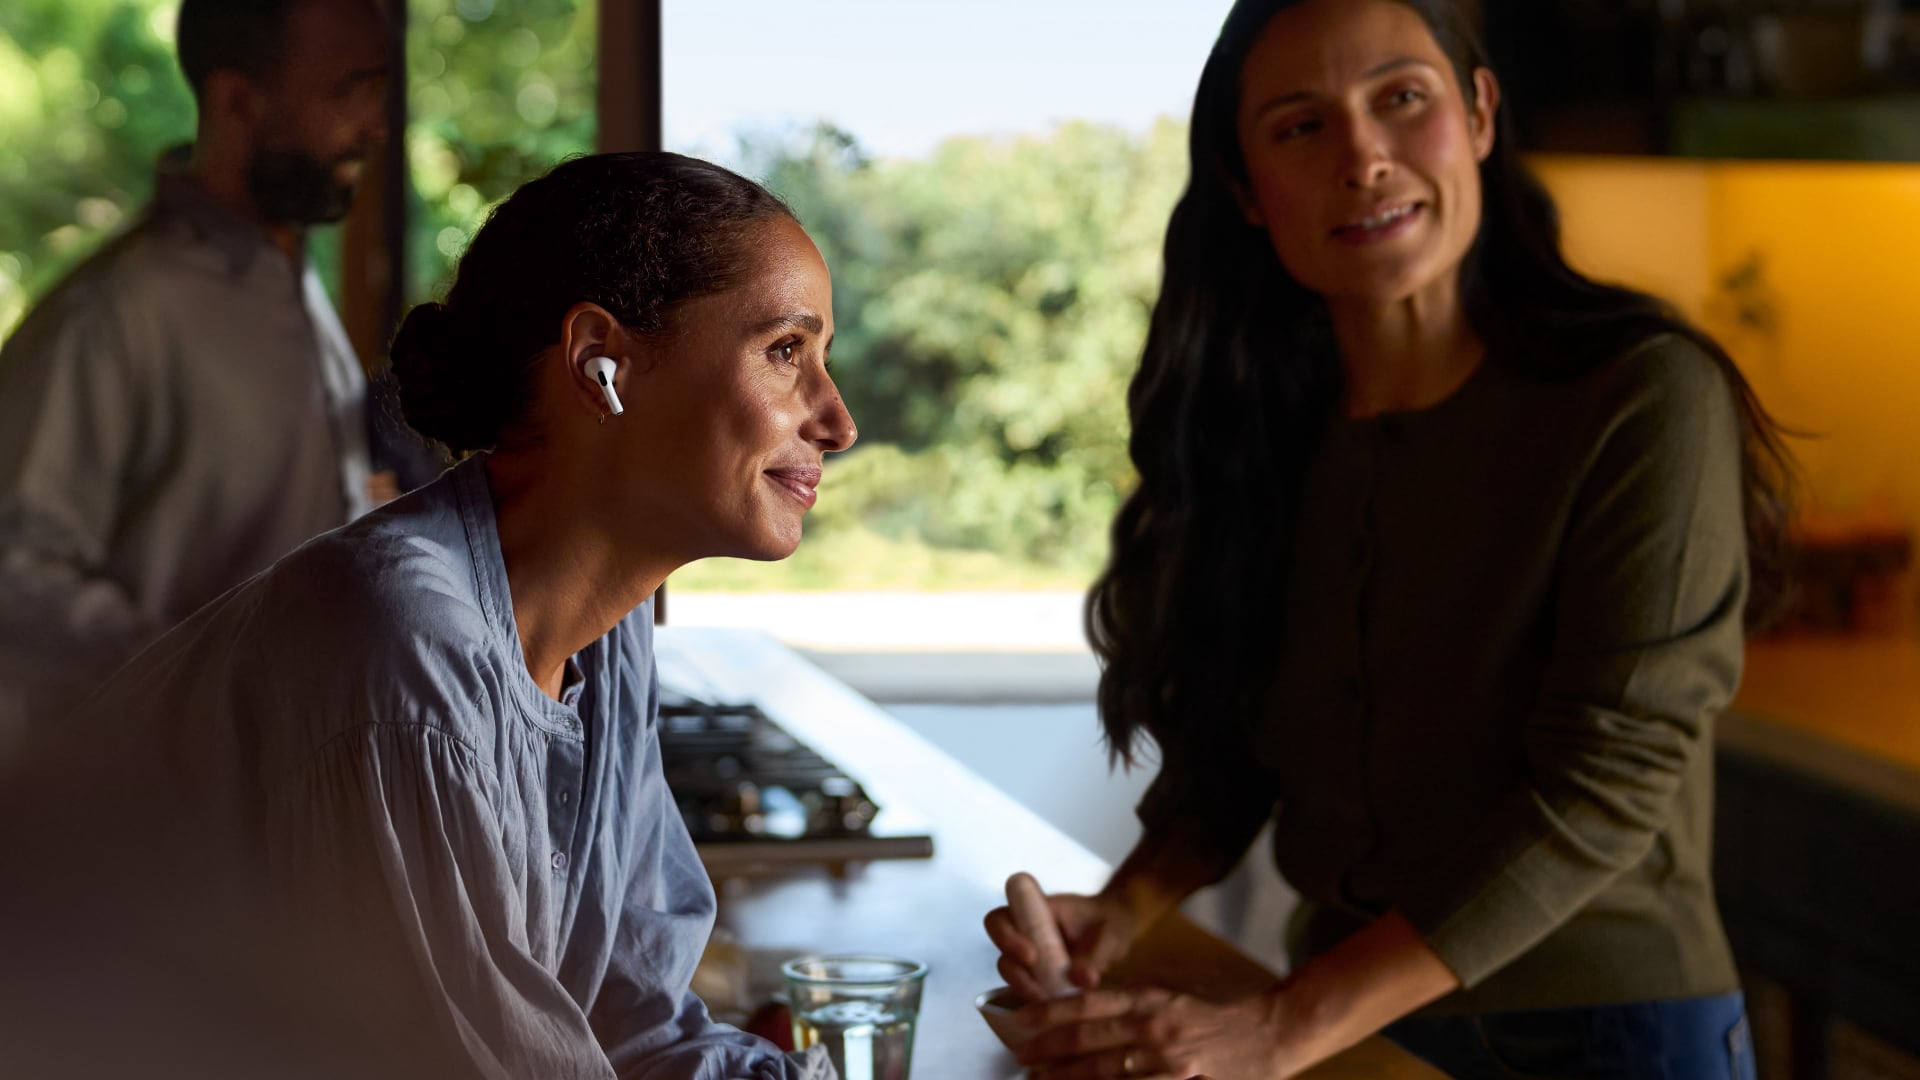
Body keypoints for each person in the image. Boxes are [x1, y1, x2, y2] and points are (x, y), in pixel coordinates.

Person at [985, 1, 1793, 1077]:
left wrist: (1282, 1027)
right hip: (1355, 1031)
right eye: (1298, 127)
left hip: (1615, 1034)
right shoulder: (1264, 429)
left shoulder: (1641, 395)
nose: (1363, 158)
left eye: (1401, 100)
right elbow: (1241, 746)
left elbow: (1606, 787)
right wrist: (1121, 911)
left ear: (1480, 114)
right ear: (1245, 190)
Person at [0, 152, 854, 1079]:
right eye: (783, 352)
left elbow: (634, 1028)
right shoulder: (401, 649)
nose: (837, 421)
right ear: (600, 362)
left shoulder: (607, 644)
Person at [0, 0, 434, 741]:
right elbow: (15, 576)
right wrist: (215, 686)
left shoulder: (296, 283)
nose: (375, 127)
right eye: (347, 92)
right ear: (238, 99)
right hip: (151, 824)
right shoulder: (109, 316)